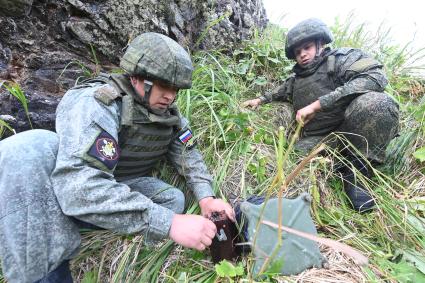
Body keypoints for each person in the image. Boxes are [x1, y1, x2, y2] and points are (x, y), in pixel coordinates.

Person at [0, 32, 234, 283]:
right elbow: (80, 186)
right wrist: (168, 223)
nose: (170, 95)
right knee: (28, 147)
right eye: (164, 85)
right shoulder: (98, 103)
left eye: (175, 88)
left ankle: (88, 223)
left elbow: (189, 156)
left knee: (172, 198)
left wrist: (207, 198)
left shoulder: (169, 116)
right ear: (137, 77)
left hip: (115, 185)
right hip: (66, 188)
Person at [243, 18, 399, 212]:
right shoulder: (296, 80)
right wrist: (258, 101)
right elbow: (278, 92)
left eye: (307, 47)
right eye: (298, 52)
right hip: (320, 141)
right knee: (292, 160)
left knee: (377, 103)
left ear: (321, 43)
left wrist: (318, 105)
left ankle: (358, 175)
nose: (302, 55)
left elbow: (375, 77)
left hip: (353, 131)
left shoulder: (341, 60)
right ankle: (339, 168)